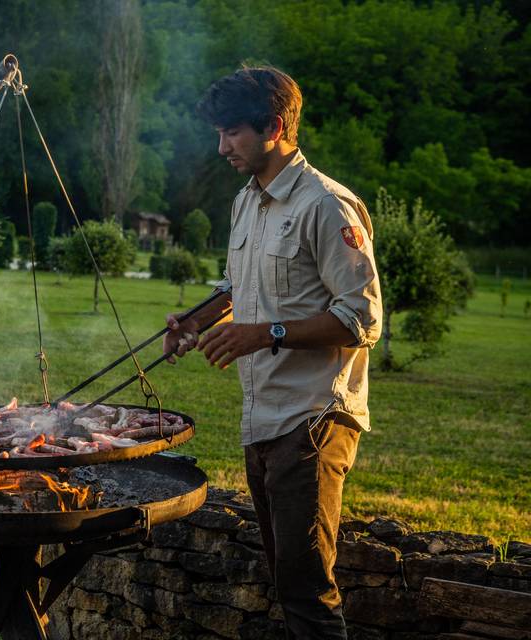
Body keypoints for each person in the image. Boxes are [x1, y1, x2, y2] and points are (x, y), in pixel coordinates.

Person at [164, 66, 382, 639]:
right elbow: (242, 286)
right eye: (217, 134)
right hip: (261, 419)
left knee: (307, 589)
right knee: (288, 580)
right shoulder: (246, 202)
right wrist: (195, 321)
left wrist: (265, 334)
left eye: (231, 133)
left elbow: (362, 319)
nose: (221, 147)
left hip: (313, 419)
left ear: (274, 126)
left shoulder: (327, 206)